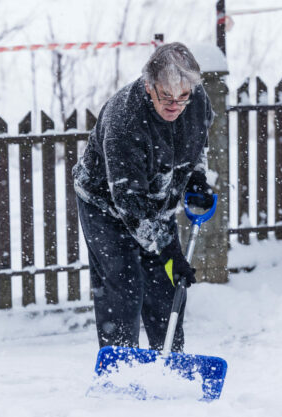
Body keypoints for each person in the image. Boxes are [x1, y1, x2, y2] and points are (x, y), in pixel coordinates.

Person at [73, 42, 214, 352]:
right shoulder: (125, 119)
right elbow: (131, 204)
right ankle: (121, 366)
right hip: (105, 204)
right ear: (149, 86)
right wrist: (168, 250)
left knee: (166, 287)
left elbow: (197, 146)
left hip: (156, 201)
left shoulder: (196, 100)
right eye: (166, 96)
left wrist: (197, 177)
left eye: (183, 97)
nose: (176, 104)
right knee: (123, 285)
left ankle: (169, 360)